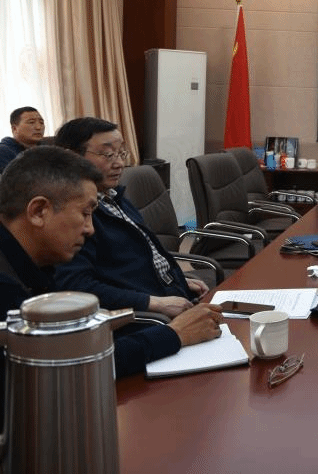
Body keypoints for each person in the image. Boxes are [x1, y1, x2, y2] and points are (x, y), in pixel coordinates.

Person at [0, 146, 223, 378]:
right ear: (38, 211)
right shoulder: (6, 286)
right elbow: (67, 370)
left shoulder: (35, 268)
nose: (90, 229)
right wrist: (174, 334)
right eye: (85, 213)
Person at [52, 117, 208, 317]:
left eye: (121, 153)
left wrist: (176, 279)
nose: (119, 163)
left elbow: (139, 260)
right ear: (72, 157)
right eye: (108, 154)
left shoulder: (114, 196)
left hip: (170, 295)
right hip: (146, 317)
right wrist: (152, 303)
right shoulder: (70, 214)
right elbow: (76, 287)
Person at [0, 106, 46, 172]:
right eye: (31, 122)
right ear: (14, 129)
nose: (38, 127)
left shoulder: (48, 149)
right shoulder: (3, 152)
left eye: (41, 123)